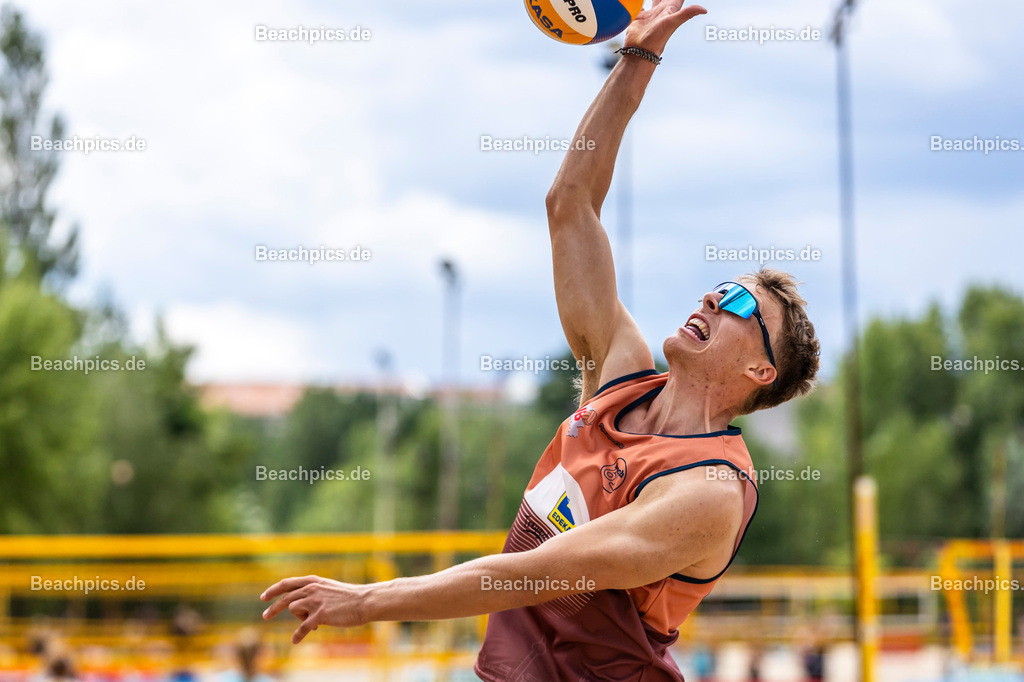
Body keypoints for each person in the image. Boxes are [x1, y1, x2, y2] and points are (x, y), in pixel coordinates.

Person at [260, 1, 820, 679]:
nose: (710, 296)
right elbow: (571, 205)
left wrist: (371, 600)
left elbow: (534, 576)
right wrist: (636, 58)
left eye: (735, 303)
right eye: (717, 286)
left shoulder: (708, 492)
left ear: (761, 369)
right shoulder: (615, 375)